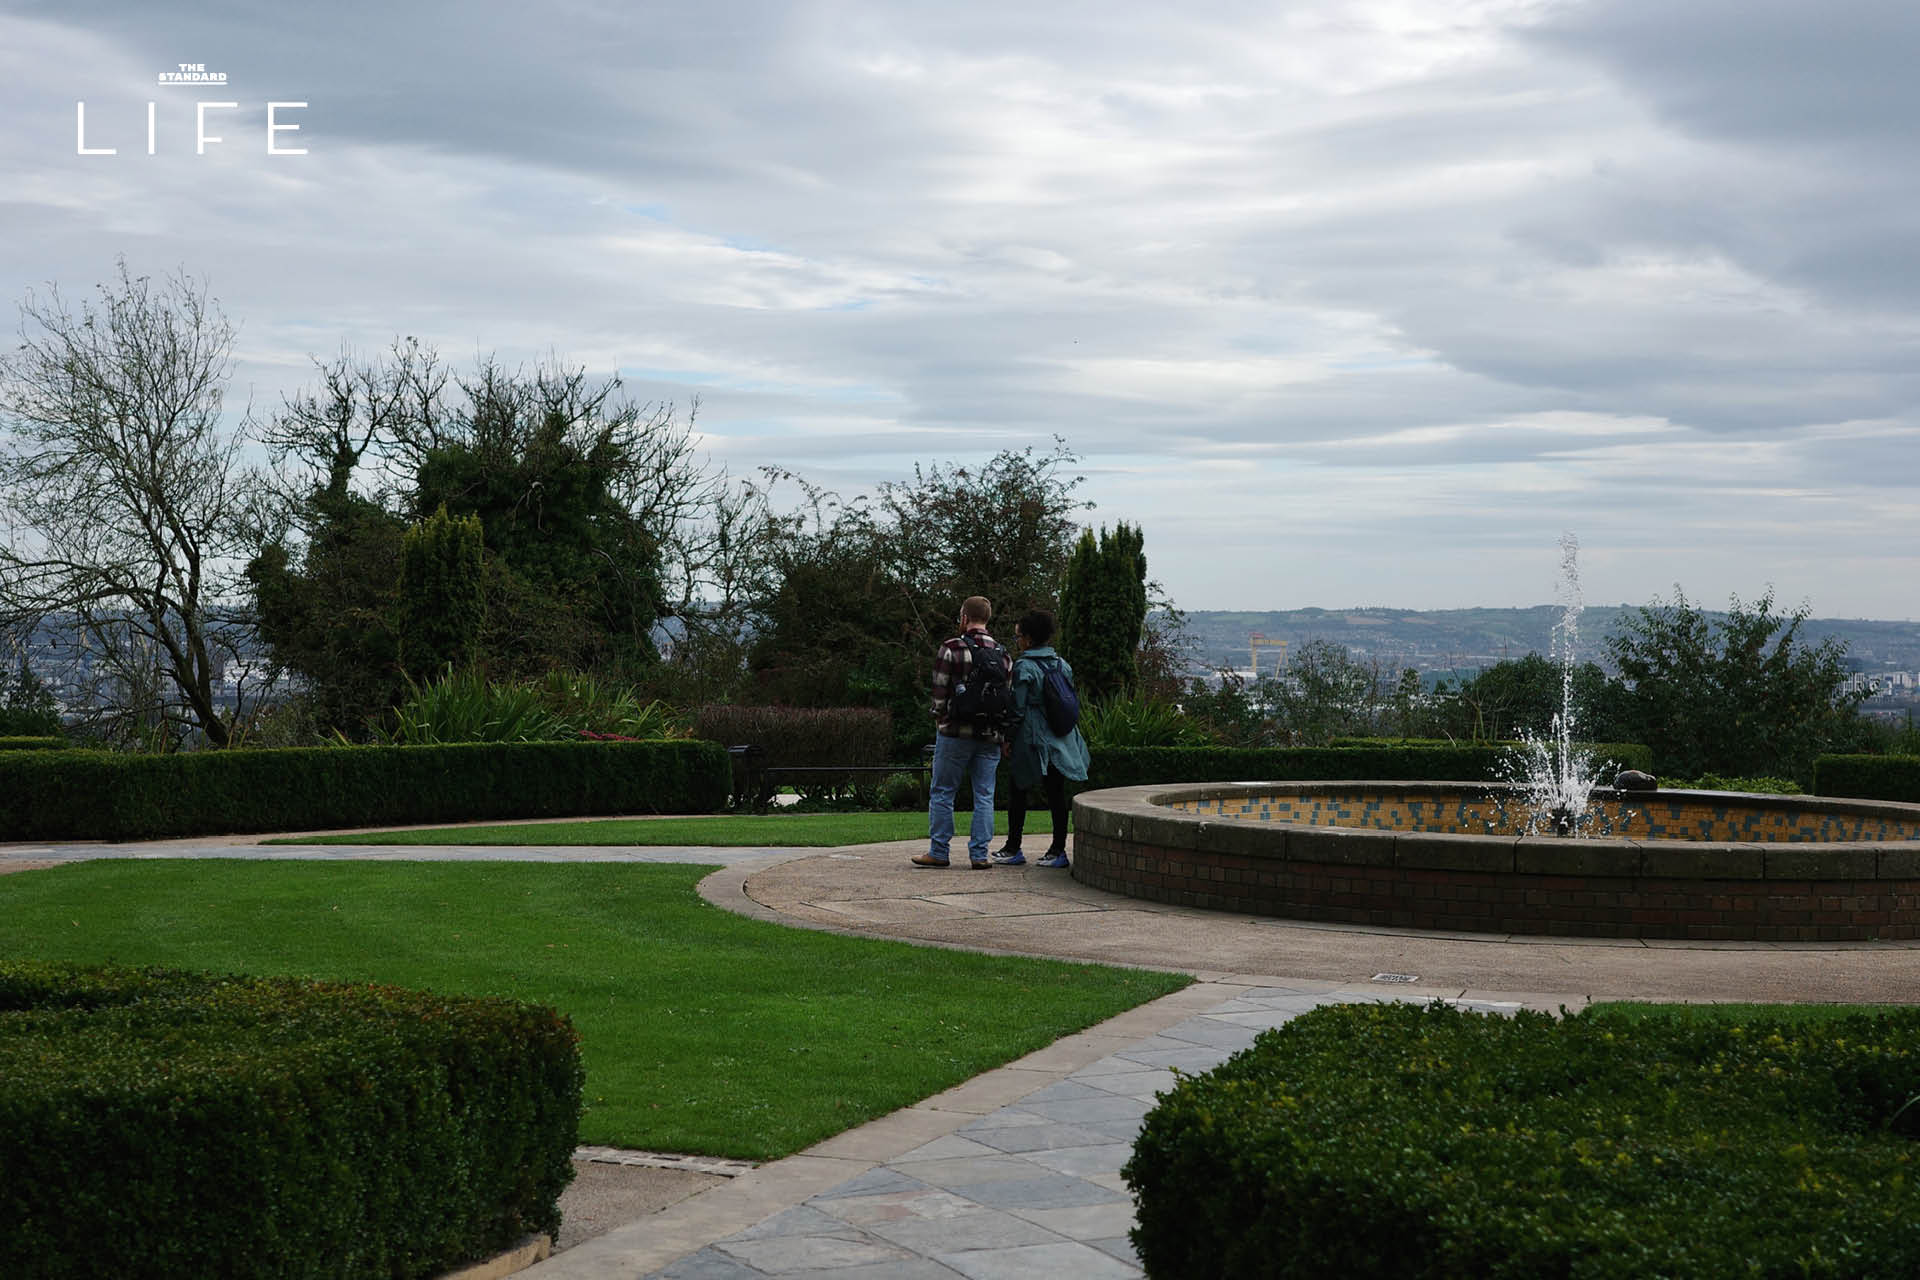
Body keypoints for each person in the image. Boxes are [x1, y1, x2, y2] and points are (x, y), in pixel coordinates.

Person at [914, 595, 1012, 869]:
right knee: (984, 794)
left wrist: (939, 718)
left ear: (964, 617)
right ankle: (979, 855)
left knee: (944, 791)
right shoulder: (1003, 654)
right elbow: (1006, 696)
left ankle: (939, 851)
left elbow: (939, 690)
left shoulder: (951, 647)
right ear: (987, 619)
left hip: (955, 732)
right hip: (990, 735)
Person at [992, 609, 1089, 869]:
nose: (1017, 641)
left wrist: (1007, 738)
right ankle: (1058, 849)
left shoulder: (1024, 666)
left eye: (1019, 637)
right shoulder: (1061, 663)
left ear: (1029, 639)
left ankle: (1013, 847)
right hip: (1062, 737)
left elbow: (1017, 708)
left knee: (1019, 790)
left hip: (1032, 738)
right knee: (1056, 794)